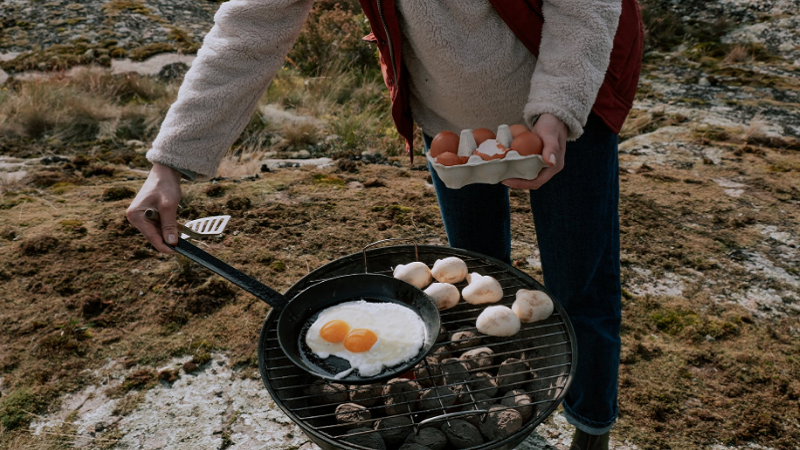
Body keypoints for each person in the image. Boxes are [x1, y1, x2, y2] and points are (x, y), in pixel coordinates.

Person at [126, 1, 643, 449]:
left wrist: (557, 109)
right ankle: (492, 401)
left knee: (580, 289)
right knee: (466, 279)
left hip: (568, 102)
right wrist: (169, 161)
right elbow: (248, 28)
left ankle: (589, 422)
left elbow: (585, 5)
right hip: (451, 125)